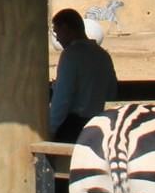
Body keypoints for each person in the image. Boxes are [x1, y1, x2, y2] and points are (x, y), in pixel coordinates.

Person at [50, 8, 117, 144]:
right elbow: (112, 93)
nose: (57, 38)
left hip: (72, 127)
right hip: (96, 125)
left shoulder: (70, 55)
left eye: (57, 32)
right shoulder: (103, 55)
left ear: (66, 28)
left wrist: (51, 128)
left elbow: (62, 99)